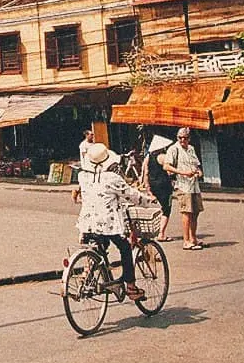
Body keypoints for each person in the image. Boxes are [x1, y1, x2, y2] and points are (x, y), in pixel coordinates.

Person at [72, 143, 151, 301]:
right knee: (125, 248)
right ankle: (131, 287)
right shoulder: (112, 179)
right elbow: (130, 195)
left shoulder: (83, 176)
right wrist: (147, 200)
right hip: (108, 224)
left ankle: (86, 274)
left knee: (99, 247)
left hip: (87, 223)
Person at [164, 127, 205, 250]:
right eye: (180, 138)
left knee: (195, 212)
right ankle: (186, 241)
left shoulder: (191, 149)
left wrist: (199, 173)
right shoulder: (173, 149)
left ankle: (193, 238)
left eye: (185, 138)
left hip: (194, 186)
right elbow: (166, 166)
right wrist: (182, 172)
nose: (182, 140)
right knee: (186, 213)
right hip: (183, 186)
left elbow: (197, 166)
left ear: (189, 138)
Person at [141, 134, 176, 242]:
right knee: (166, 210)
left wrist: (148, 189)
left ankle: (157, 231)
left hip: (153, 184)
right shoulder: (162, 157)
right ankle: (161, 233)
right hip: (164, 185)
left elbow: (145, 173)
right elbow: (170, 171)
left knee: (158, 208)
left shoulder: (148, 157)